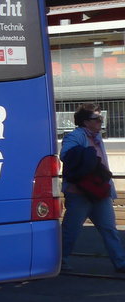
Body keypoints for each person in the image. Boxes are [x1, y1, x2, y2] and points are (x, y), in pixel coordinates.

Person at [60, 103, 125, 273]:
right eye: (97, 119)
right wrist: (87, 156)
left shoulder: (98, 137)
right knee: (71, 230)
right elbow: (66, 155)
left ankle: (120, 263)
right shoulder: (75, 136)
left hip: (99, 191)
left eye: (100, 119)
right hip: (80, 193)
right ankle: (60, 261)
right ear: (85, 122)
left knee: (109, 229)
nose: (100, 122)